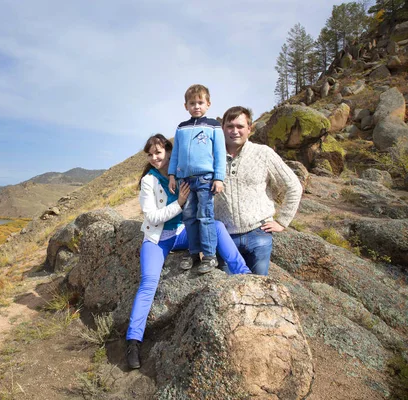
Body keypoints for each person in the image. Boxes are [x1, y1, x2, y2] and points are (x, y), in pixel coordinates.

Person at [126, 134, 250, 370]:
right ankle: (133, 341)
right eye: (150, 154)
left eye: (158, 153)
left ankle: (244, 275)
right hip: (157, 238)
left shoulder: (182, 173)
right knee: (148, 282)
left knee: (217, 227)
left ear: (169, 152)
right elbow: (152, 217)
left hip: (183, 233)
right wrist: (179, 204)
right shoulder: (148, 182)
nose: (154, 158)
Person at [215, 106, 302, 276]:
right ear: (223, 128)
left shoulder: (264, 154)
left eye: (240, 127)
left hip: (258, 234)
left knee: (259, 291)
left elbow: (293, 186)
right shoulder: (211, 157)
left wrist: (283, 221)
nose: (235, 131)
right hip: (225, 238)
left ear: (249, 129)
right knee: (228, 295)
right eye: (230, 126)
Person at [167, 84, 226, 274]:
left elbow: (220, 154)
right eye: (192, 103)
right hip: (185, 180)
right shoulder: (181, 128)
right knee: (189, 217)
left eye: (200, 102)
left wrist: (219, 178)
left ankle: (209, 256)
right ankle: (193, 253)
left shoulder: (214, 126)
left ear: (208, 104)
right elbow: (175, 153)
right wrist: (171, 175)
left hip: (205, 180)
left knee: (205, 216)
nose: (196, 106)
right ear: (186, 106)